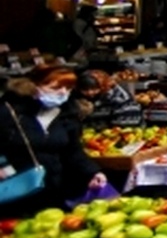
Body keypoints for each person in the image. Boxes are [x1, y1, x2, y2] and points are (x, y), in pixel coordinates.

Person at [0, 66, 105, 217]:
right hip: (14, 190)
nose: (62, 92)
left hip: (53, 190)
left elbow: (72, 150)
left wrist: (92, 172)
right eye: (55, 88)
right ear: (34, 86)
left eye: (68, 88)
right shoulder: (8, 112)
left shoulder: (66, 114)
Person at [76, 69, 144, 127]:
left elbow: (126, 123)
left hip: (122, 128)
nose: (90, 92)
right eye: (85, 90)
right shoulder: (80, 97)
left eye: (94, 89)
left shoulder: (118, 97)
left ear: (103, 86)